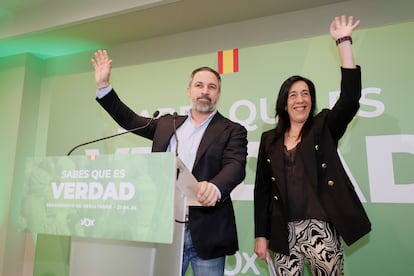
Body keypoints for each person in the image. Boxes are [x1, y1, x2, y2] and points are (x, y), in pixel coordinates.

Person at [91, 50, 248, 276]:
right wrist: (105, 86)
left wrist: (214, 187)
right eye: (199, 85)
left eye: (211, 87)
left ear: (218, 93)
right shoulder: (167, 124)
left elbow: (235, 166)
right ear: (189, 90)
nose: (205, 91)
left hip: (207, 232)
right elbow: (130, 120)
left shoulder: (232, 130)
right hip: (165, 229)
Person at [253, 15, 371, 275]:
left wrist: (344, 43)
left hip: (321, 230)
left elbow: (350, 99)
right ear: (284, 103)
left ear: (312, 100)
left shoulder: (323, 127)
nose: (300, 99)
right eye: (293, 94)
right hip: (282, 233)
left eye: (306, 93)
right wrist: (261, 235)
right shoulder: (269, 140)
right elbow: (262, 191)